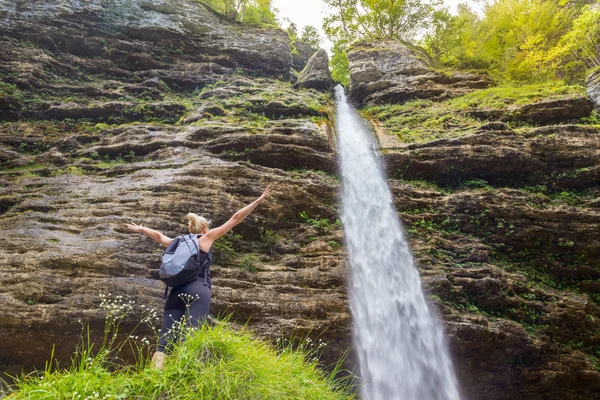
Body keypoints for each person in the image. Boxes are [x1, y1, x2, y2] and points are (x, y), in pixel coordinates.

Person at [126, 185, 272, 370]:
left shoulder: (177, 242)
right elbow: (235, 219)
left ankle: (153, 378)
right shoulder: (205, 239)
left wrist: (142, 229)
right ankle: (188, 377)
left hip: (175, 293)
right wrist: (258, 201)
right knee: (194, 335)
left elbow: (158, 235)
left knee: (164, 342)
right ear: (204, 228)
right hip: (197, 289)